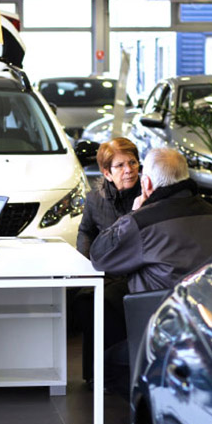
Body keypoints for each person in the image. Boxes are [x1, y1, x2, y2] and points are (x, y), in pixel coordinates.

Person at [89, 147, 212, 393]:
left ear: (146, 182)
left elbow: (100, 255)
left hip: (161, 331)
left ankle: (150, 409)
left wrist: (135, 212)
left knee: (106, 367)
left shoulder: (142, 222)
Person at [74, 137, 141, 387]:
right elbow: (86, 231)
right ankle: (95, 373)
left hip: (136, 269)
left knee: (105, 302)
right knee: (85, 299)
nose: (129, 170)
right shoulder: (95, 200)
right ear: (107, 172)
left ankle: (114, 372)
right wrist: (87, 263)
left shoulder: (147, 194)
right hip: (106, 269)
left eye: (133, 162)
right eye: (120, 165)